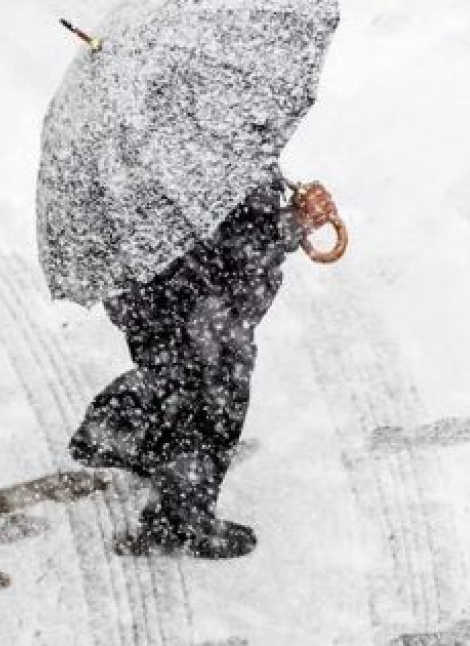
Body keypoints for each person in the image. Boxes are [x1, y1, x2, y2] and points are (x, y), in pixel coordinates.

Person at [69, 168, 339, 558]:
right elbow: (238, 250)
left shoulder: (141, 150)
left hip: (143, 294)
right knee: (214, 404)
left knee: (170, 375)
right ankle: (180, 518)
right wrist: (294, 223)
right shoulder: (215, 153)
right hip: (202, 308)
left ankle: (117, 427)